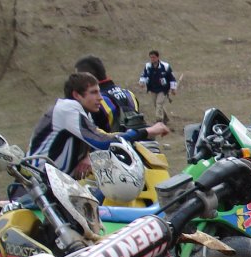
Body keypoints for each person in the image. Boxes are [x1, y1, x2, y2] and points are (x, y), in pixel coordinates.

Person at [29, 72, 168, 179]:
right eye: (94, 92)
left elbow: (95, 142)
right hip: (40, 180)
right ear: (76, 95)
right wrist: (147, 131)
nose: (100, 98)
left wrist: (88, 155)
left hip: (59, 181)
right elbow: (102, 140)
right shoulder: (67, 109)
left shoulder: (84, 113)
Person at [74, 55, 141, 132]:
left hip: (113, 139)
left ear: (88, 76)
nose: (76, 81)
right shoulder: (130, 94)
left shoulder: (94, 101)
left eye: (78, 77)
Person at [138, 50, 178, 125]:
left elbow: (171, 77)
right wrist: (142, 82)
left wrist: (173, 88)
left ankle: (159, 121)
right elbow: (144, 75)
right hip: (152, 88)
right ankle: (165, 118)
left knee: (159, 104)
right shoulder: (148, 66)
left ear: (158, 57)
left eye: (154, 57)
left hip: (163, 89)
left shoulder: (165, 66)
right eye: (151, 57)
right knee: (156, 105)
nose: (152, 59)